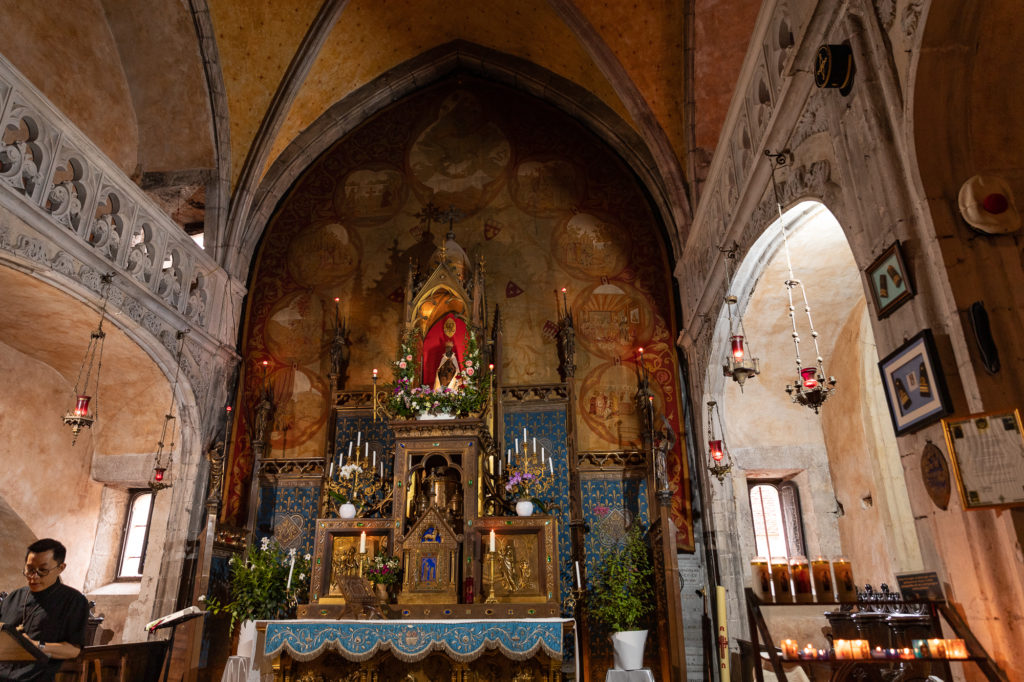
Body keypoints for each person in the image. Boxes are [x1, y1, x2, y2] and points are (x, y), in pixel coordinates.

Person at [0, 538, 89, 681]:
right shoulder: (14, 597)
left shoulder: (74, 601)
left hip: (36, 676)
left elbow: (73, 650)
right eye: (29, 569)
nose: (33, 577)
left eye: (42, 570)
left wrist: (35, 646)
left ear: (60, 568)